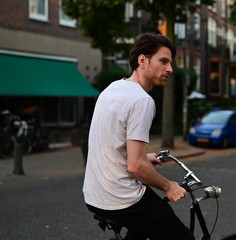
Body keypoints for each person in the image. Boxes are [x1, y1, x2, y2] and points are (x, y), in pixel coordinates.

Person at [82, 32, 194, 240]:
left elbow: (109, 144)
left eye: (170, 63)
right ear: (143, 60)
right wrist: (169, 186)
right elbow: (136, 166)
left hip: (94, 194)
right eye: (163, 61)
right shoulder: (141, 100)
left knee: (143, 228)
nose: (170, 69)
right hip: (120, 198)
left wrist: (145, 156)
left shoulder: (111, 89)